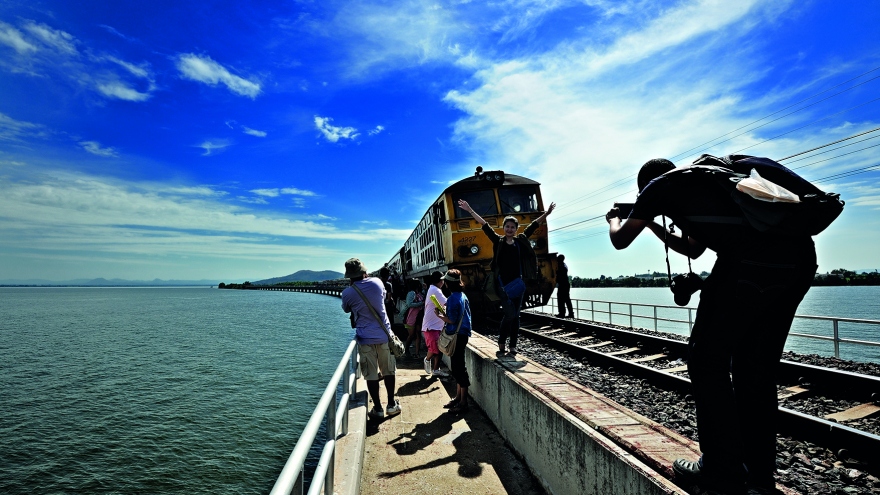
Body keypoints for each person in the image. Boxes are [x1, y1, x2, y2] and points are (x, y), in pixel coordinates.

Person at [606, 157, 817, 494]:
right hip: (798, 265)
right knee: (756, 370)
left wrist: (618, 219)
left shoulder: (658, 188)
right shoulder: (708, 181)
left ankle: (722, 467)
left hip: (746, 267)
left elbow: (620, 240)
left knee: (707, 363)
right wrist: (653, 225)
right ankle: (760, 475)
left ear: (644, 184)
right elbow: (692, 246)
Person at [458, 199, 556, 357]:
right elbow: (484, 225)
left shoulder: (520, 241)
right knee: (510, 314)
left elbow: (533, 225)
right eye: (507, 226)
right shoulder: (498, 241)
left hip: (518, 284)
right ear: (503, 228)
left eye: (512, 227)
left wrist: (547, 214)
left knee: (516, 316)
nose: (509, 229)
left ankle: (512, 346)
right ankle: (502, 340)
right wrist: (470, 210)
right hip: (502, 286)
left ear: (516, 229)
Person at [341, 258, 401, 419]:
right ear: (364, 272)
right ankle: (391, 404)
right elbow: (382, 299)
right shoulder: (377, 283)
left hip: (365, 339)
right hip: (384, 336)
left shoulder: (347, 293)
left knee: (371, 374)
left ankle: (378, 408)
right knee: (388, 370)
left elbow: (347, 309)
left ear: (349, 276)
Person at [434, 269, 472, 414]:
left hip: (457, 335)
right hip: (463, 334)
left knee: (458, 368)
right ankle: (458, 398)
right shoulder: (462, 296)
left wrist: (439, 315)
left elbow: (452, 320)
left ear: (449, 284)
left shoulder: (452, 299)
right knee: (458, 366)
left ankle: (463, 402)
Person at [421, 271, 448, 377]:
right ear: (440, 280)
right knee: (434, 349)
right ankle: (427, 360)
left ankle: (436, 370)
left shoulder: (434, 289)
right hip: (431, 326)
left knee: (438, 350)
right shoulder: (435, 290)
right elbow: (447, 303)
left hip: (435, 325)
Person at [401, 278, 425, 359]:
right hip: (410, 317)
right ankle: (406, 349)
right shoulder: (411, 293)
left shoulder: (419, 293)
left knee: (418, 335)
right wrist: (421, 303)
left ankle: (417, 353)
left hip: (418, 316)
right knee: (411, 335)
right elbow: (409, 304)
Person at [555, 254, 574, 318]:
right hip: (565, 284)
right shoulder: (564, 265)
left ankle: (562, 313)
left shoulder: (561, 266)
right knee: (566, 299)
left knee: (561, 298)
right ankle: (570, 313)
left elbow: (559, 275)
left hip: (563, 284)